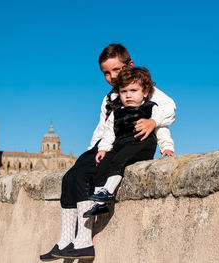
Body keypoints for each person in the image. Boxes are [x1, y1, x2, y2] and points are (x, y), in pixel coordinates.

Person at [39, 44, 176, 261]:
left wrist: (153, 122)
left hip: (125, 145)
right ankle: (66, 239)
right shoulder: (109, 98)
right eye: (106, 73)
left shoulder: (142, 87)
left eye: (116, 70)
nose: (112, 77)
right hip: (106, 143)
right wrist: (91, 152)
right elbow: (102, 128)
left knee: (84, 175)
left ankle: (83, 241)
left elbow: (169, 108)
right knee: (70, 176)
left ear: (129, 65)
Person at [83, 66, 175, 218]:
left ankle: (108, 191)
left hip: (141, 144)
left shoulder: (150, 109)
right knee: (104, 164)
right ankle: (99, 202)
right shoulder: (116, 112)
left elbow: (162, 130)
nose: (128, 95)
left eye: (133, 91)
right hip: (121, 144)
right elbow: (109, 133)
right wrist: (103, 149)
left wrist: (166, 148)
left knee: (120, 159)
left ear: (145, 92)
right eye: (124, 91)